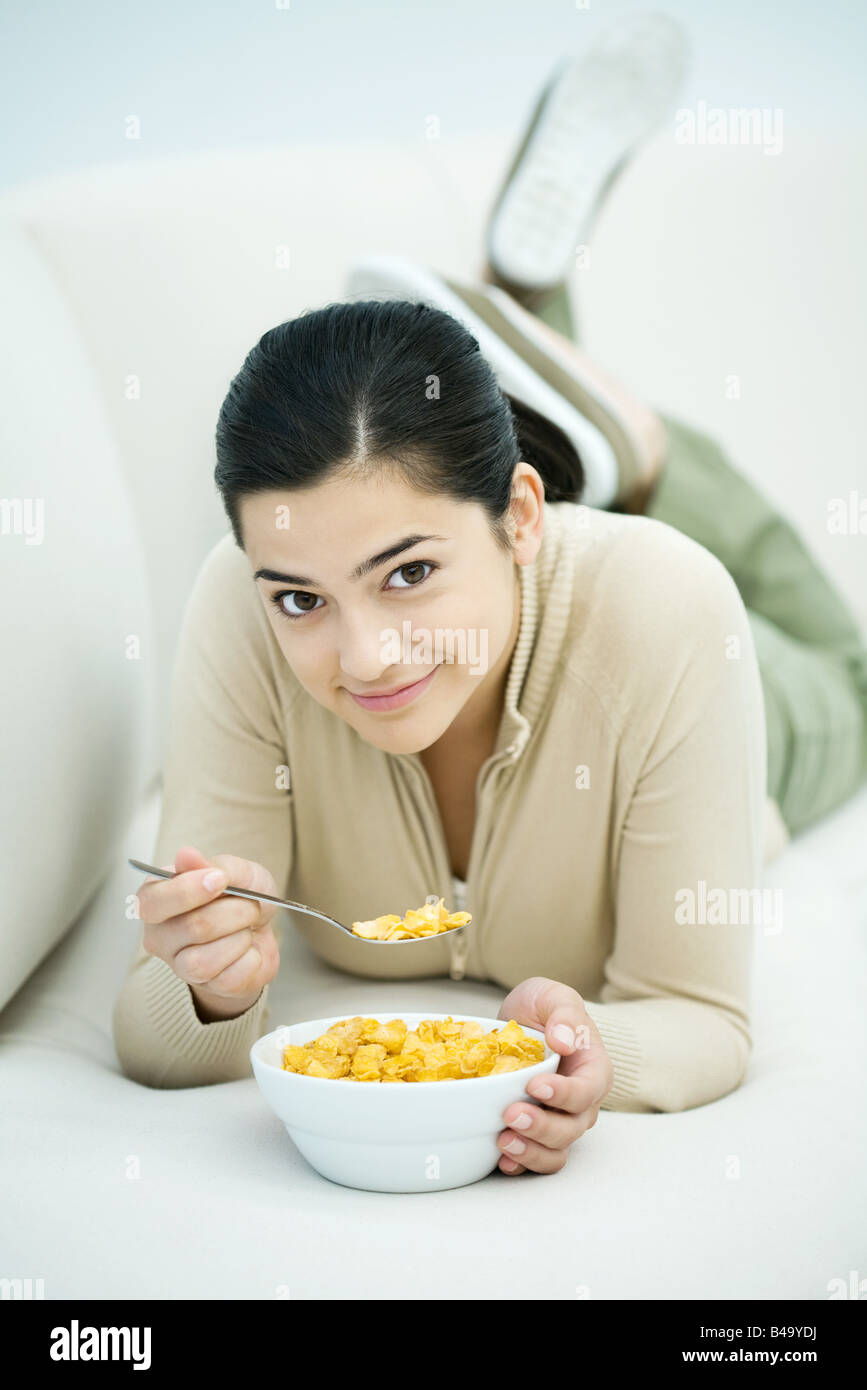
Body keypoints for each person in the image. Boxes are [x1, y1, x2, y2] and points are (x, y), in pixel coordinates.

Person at [113, 27, 867, 1181]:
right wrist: (205, 989)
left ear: (524, 517)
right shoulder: (234, 612)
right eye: (302, 596)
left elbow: (701, 1014)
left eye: (409, 573)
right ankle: (530, 328)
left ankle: (637, 441)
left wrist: (597, 1050)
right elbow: (155, 1037)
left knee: (852, 682)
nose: (363, 657)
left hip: (715, 668)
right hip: (522, 535)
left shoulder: (669, 611)